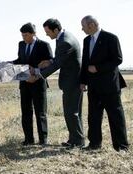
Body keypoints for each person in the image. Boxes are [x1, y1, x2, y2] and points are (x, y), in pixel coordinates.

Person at [32, 18, 85, 149]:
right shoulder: (64, 37)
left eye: (48, 32)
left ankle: (77, 142)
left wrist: (39, 74)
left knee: (71, 112)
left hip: (72, 81)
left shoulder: (64, 41)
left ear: (56, 30)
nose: (46, 35)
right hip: (74, 80)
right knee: (75, 112)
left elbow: (57, 64)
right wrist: (49, 62)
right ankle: (76, 139)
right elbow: (60, 59)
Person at [79, 15, 129, 151]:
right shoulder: (86, 40)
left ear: (91, 25)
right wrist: (83, 81)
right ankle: (94, 144)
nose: (81, 29)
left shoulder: (111, 38)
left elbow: (118, 59)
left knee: (115, 116)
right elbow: (85, 62)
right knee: (93, 116)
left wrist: (98, 68)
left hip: (110, 85)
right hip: (93, 86)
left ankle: (121, 146)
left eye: (83, 26)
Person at [10, 23, 53, 146]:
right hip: (24, 83)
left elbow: (50, 64)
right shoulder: (21, 44)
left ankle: (43, 140)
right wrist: (8, 64)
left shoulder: (44, 45)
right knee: (26, 112)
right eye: (22, 35)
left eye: (26, 35)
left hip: (38, 84)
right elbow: (20, 61)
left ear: (34, 33)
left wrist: (37, 75)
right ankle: (28, 139)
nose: (24, 37)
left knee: (40, 112)